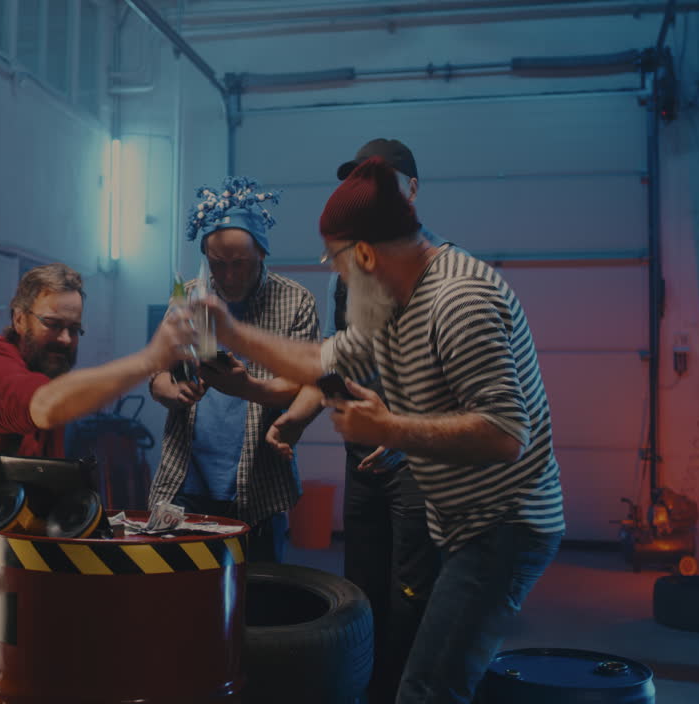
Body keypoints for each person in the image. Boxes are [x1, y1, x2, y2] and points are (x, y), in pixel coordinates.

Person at [206, 158, 564, 703]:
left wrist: (392, 428)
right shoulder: (395, 299)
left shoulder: (458, 299)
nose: (336, 273)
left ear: (368, 253)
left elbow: (504, 433)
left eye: (338, 259)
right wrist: (233, 334)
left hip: (503, 526)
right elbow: (327, 360)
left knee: (426, 688)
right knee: (431, 677)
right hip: (463, 521)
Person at [0, 262, 195, 704]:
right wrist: (149, 360)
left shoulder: (43, 379)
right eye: (53, 325)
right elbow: (47, 407)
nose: (66, 340)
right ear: (19, 318)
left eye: (75, 330)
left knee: (68, 636)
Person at [269, 138, 445, 704]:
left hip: (419, 467)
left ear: (412, 191)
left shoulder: (436, 271)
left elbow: (455, 377)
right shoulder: (343, 277)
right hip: (362, 463)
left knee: (411, 598)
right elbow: (334, 364)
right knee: (360, 594)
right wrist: (295, 420)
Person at [147, 176, 320, 563]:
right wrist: (171, 393)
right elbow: (157, 375)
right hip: (185, 480)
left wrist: (247, 388)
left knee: (257, 603)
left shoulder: (295, 301)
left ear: (261, 252)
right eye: (217, 264)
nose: (227, 276)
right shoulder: (189, 296)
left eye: (239, 264)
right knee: (179, 599)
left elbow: (305, 387)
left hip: (258, 487)